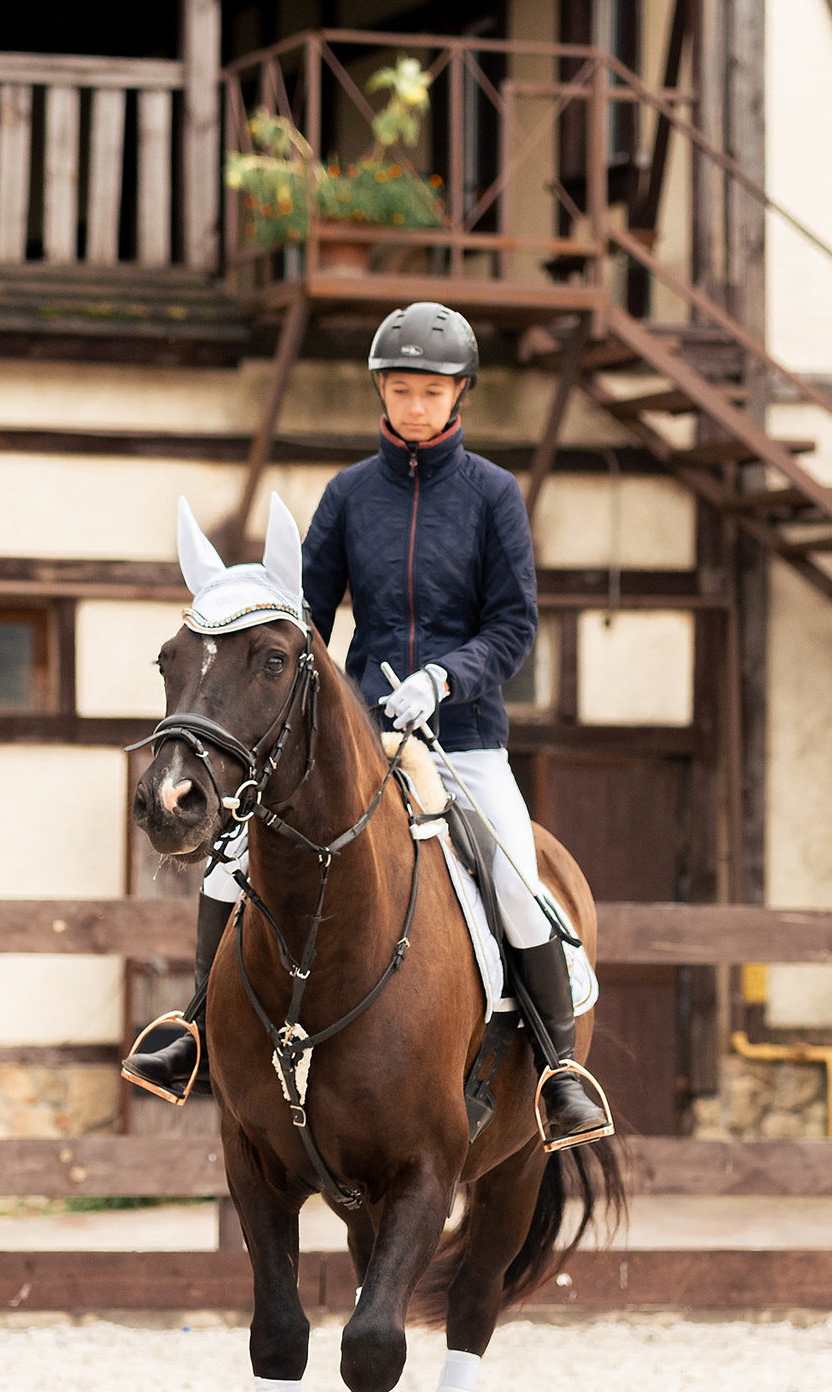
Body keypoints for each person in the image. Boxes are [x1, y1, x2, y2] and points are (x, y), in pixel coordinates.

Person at [123, 301, 612, 1149]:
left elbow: (514, 625)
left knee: (519, 886)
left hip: (462, 738)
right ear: (381, 394)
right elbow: (299, 613)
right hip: (363, 734)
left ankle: (560, 1073)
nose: (413, 407)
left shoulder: (495, 496)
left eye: (429, 392)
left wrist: (444, 677)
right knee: (229, 863)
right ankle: (191, 1031)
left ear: (459, 395)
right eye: (399, 390)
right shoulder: (350, 495)